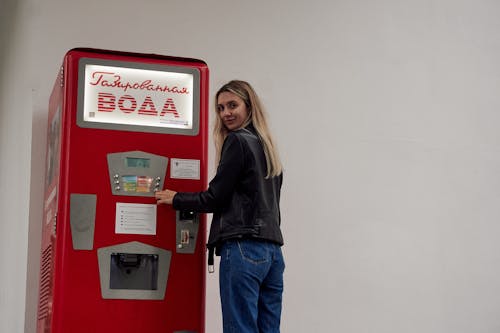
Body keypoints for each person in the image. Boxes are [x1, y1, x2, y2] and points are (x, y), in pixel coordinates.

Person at [155, 80, 285, 333]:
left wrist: (177, 198)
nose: (226, 113)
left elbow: (216, 197)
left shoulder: (237, 141)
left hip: (243, 247)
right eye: (220, 108)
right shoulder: (267, 147)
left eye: (232, 105)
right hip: (272, 254)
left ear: (249, 107)